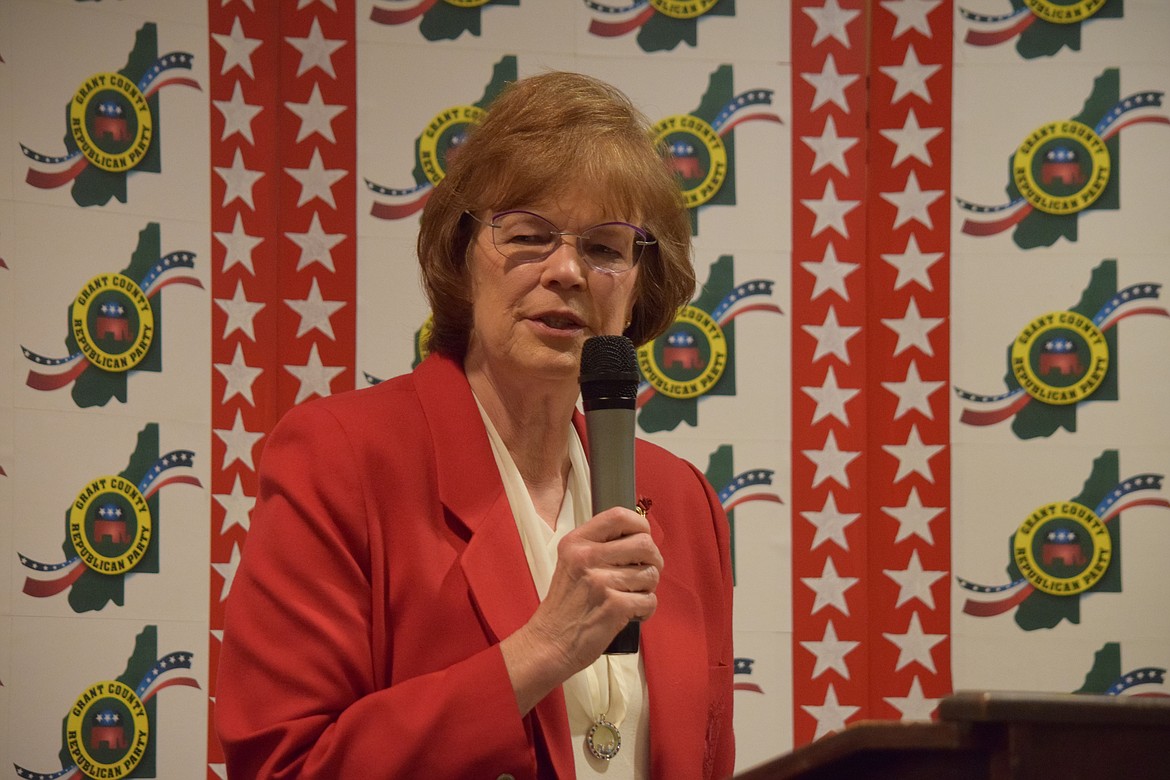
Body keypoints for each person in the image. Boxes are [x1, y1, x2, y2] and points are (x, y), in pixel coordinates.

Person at [216, 71, 734, 779]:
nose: (567, 271)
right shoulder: (344, 458)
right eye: (528, 235)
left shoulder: (682, 500)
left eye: (607, 248)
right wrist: (541, 649)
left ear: (642, 282)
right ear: (462, 257)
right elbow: (285, 767)